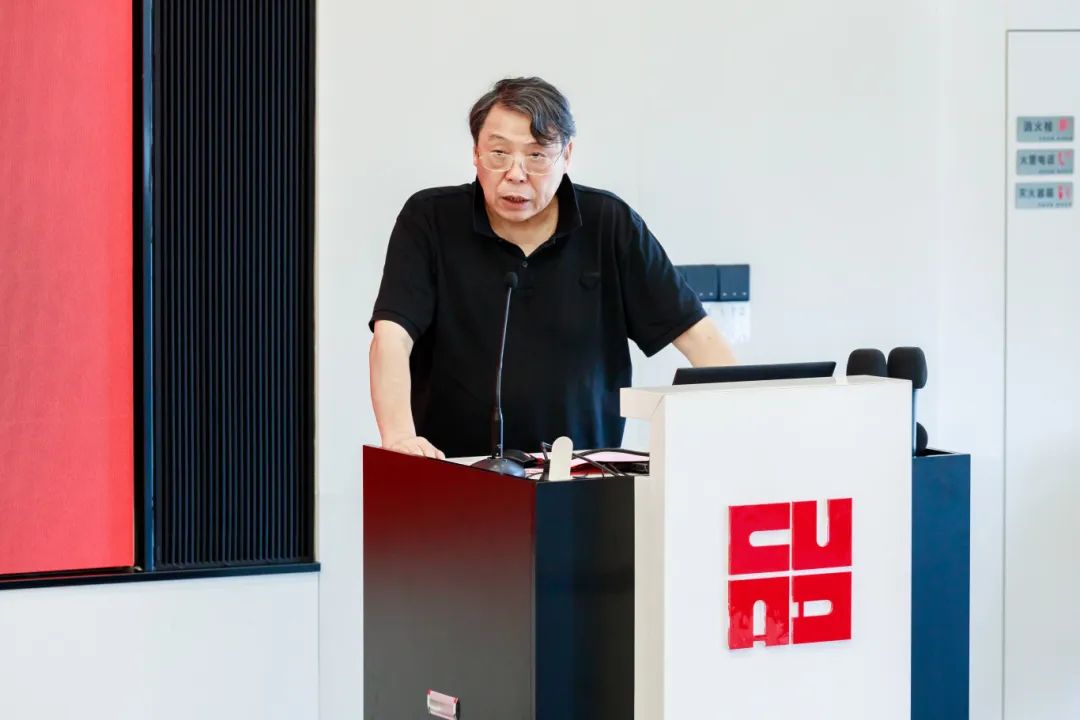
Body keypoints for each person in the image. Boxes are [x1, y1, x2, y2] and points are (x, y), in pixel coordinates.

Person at [369, 77, 735, 460]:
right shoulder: (430, 219)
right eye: (499, 153)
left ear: (567, 155)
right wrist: (399, 438)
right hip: (456, 469)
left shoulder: (608, 223)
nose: (516, 173)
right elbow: (392, 336)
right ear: (476, 152)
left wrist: (742, 424)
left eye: (537, 155)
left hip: (582, 473)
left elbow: (698, 337)